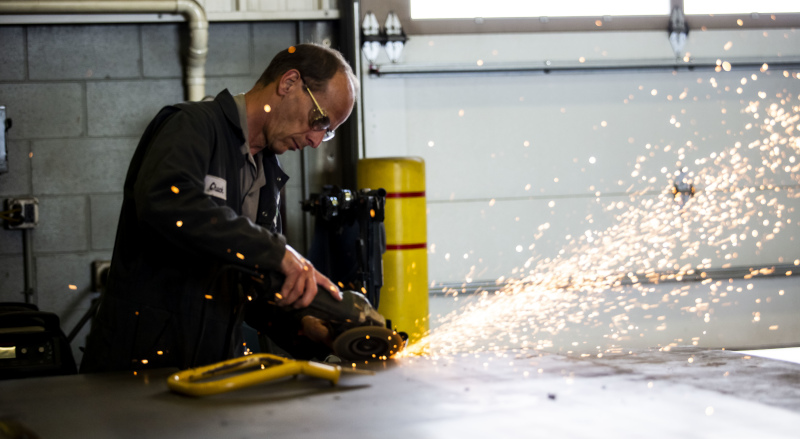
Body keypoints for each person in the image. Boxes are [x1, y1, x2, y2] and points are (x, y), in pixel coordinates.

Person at [80, 43, 358, 373]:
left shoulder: (266, 176)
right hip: (138, 366)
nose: (315, 140)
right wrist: (276, 251)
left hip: (210, 368)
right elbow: (168, 203)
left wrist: (310, 330)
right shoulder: (192, 126)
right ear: (289, 83)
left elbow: (251, 288)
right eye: (320, 120)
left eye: (326, 133)